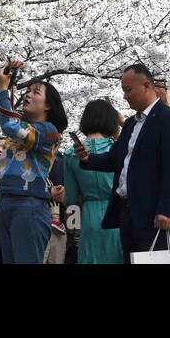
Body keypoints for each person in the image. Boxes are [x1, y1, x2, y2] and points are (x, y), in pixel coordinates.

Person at [74, 62, 170, 259]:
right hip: (127, 210)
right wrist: (88, 158)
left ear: (146, 86)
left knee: (155, 261)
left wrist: (166, 209)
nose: (125, 96)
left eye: (128, 90)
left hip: (154, 213)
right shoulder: (131, 124)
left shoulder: (169, 119)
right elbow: (115, 159)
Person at [0, 58, 67, 264]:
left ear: (48, 105)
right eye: (27, 91)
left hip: (29, 204)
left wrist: (6, 90)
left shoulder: (50, 133)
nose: (27, 94)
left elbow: (11, 126)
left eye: (35, 92)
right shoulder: (18, 122)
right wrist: (4, 75)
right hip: (7, 202)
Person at [63, 98, 125, 264]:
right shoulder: (118, 148)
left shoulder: (71, 154)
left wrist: (73, 227)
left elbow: (71, 199)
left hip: (89, 217)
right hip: (118, 213)